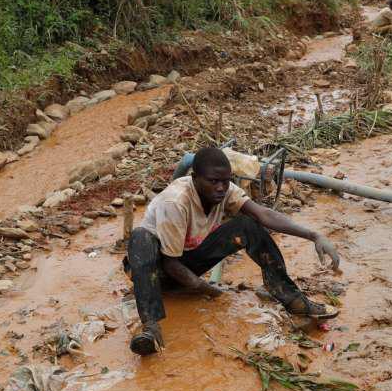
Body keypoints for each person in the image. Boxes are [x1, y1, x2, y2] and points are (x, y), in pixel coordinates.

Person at [125, 146, 341, 356]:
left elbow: (264, 215)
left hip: (186, 262)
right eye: (213, 181)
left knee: (247, 225)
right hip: (157, 272)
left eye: (225, 181)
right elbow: (171, 263)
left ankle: (292, 299)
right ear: (195, 178)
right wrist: (208, 290)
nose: (220, 187)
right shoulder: (176, 202)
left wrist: (314, 235)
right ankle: (151, 329)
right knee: (140, 238)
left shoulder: (225, 191)